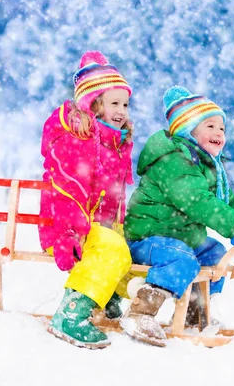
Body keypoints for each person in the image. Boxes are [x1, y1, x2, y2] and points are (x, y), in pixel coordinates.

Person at [121, 86, 234, 347]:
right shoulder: (174, 161)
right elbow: (200, 203)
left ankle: (195, 314)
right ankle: (140, 311)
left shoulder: (205, 165)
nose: (219, 133)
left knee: (215, 255)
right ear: (188, 130)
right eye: (210, 126)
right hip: (149, 237)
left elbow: (228, 200)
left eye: (222, 129)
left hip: (181, 237)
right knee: (182, 261)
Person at [38, 51, 134, 349]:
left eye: (125, 104)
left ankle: (106, 300)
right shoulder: (78, 139)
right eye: (114, 103)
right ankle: (71, 314)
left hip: (94, 226)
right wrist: (68, 233)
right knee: (112, 248)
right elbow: (68, 190)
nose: (121, 110)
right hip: (68, 227)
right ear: (94, 103)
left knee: (125, 243)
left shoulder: (112, 141)